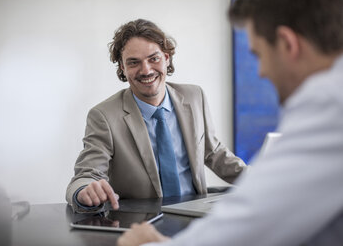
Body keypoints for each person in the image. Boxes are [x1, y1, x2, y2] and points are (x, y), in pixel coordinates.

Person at [116, 0, 343, 245]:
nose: (261, 71)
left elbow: (256, 217)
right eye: (134, 62)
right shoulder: (106, 114)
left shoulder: (329, 104)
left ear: (288, 44)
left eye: (259, 54)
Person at [66, 19, 246, 213]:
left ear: (166, 58)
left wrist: (264, 179)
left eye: (154, 58)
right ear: (122, 68)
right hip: (143, 224)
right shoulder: (104, 116)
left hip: (196, 217)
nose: (146, 70)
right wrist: (83, 191)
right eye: (134, 62)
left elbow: (214, 153)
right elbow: (86, 175)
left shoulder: (195, 97)